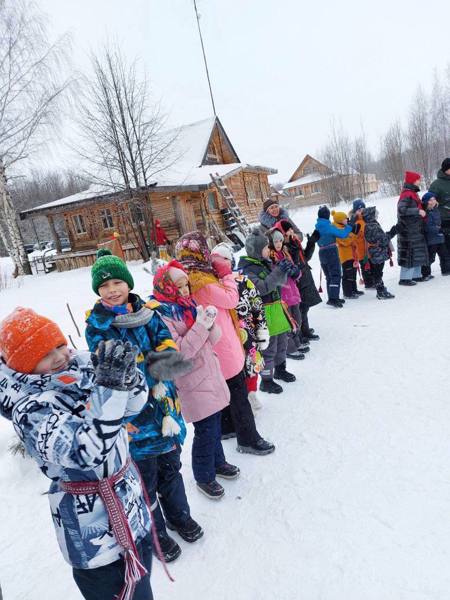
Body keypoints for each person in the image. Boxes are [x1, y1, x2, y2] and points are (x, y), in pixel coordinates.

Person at [0, 308, 154, 600]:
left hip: (130, 508)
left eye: (59, 346)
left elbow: (132, 408)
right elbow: (87, 451)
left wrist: (129, 379)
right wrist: (109, 389)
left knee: (143, 589)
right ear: (23, 365)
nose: (59, 356)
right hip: (92, 534)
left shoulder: (81, 366)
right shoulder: (30, 409)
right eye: (44, 354)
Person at [85, 249, 202, 564]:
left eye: (117, 282)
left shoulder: (149, 312)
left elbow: (168, 348)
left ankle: (179, 515)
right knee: (144, 482)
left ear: (128, 282)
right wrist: (149, 364)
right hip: (134, 418)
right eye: (105, 285)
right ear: (98, 290)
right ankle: (155, 532)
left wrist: (150, 361)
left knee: (172, 469)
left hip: (165, 408)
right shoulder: (98, 324)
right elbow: (110, 366)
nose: (112, 289)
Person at [175, 231, 275, 456]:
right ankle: (249, 439)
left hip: (215, 344)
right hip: (223, 345)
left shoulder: (188, 277)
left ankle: (228, 428)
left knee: (227, 391)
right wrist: (228, 275)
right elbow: (231, 298)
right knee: (239, 394)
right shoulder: (200, 281)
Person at [151, 260, 239, 500]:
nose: (184, 291)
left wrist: (209, 324)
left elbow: (212, 339)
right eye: (177, 287)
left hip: (209, 374)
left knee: (215, 425)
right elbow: (178, 352)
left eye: (185, 286)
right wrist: (201, 327)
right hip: (192, 381)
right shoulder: (162, 315)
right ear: (165, 287)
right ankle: (203, 476)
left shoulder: (188, 306)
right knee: (206, 430)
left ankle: (218, 463)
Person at [210, 243, 270, 414]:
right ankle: (236, 402)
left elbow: (257, 305)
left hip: (248, 332)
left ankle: (251, 393)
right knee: (233, 370)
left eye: (225, 261)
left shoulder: (243, 281)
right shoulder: (212, 285)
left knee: (251, 363)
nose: (220, 265)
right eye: (216, 262)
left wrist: (262, 329)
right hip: (227, 336)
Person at [238, 228, 295, 395]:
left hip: (276, 307)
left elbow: (279, 283)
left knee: (281, 343)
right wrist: (278, 272)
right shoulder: (248, 269)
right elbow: (261, 288)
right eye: (265, 248)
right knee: (269, 348)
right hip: (263, 312)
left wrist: (283, 270)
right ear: (256, 251)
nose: (269, 250)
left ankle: (280, 369)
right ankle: (267, 380)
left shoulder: (266, 263)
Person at [276, 219, 321, 341]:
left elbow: (305, 258)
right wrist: (294, 248)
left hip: (305, 276)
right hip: (297, 280)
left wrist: (311, 243)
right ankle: (299, 334)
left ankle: (304, 330)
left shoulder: (294, 242)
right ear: (282, 233)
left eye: (291, 229)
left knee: (305, 306)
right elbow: (294, 264)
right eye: (288, 230)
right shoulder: (284, 247)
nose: (291, 231)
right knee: (299, 308)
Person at [266, 228, 307, 360]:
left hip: (293, 292)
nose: (278, 243)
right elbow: (273, 276)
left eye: (280, 241)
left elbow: (296, 273)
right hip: (283, 295)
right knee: (288, 323)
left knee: (298, 320)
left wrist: (296, 272)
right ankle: (290, 348)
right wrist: (280, 269)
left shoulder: (286, 254)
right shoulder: (271, 257)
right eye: (276, 241)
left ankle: (296, 342)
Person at [315, 206, 352, 307]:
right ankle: (333, 299)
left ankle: (332, 296)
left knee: (329, 276)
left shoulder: (317, 226)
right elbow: (342, 234)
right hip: (331, 251)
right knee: (335, 275)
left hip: (321, 252)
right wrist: (349, 227)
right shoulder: (328, 226)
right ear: (327, 216)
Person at [397, 171, 429, 285]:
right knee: (409, 253)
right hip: (408, 230)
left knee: (416, 252)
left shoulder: (413, 193)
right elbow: (402, 210)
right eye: (418, 179)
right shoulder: (406, 194)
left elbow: (415, 207)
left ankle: (416, 275)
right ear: (412, 181)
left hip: (415, 228)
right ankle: (404, 278)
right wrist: (418, 211)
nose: (419, 181)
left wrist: (425, 206)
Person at [361, 207, 395, 300]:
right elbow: (383, 240)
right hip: (377, 253)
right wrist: (392, 232)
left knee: (377, 272)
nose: (377, 215)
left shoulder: (368, 225)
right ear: (371, 216)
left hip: (373, 252)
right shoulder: (373, 226)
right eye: (375, 214)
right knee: (378, 272)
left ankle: (380, 289)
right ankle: (380, 291)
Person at [333, 210, 363, 299]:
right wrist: (353, 235)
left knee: (353, 272)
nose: (347, 220)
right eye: (345, 219)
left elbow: (351, 238)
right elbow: (345, 241)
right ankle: (348, 293)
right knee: (348, 274)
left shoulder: (344, 227)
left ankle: (354, 289)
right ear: (339, 220)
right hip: (345, 256)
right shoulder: (337, 229)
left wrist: (353, 235)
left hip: (352, 254)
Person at [421, 191, 450, 278]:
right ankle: (426, 274)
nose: (433, 201)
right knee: (430, 258)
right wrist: (440, 229)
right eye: (430, 200)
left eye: (434, 199)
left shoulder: (436, 210)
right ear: (426, 202)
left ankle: (446, 270)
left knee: (445, 255)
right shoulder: (426, 213)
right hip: (432, 239)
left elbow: (439, 222)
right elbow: (428, 227)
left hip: (440, 238)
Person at [428, 158, 450, 273]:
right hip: (443, 219)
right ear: (446, 169)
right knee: (445, 246)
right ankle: (446, 268)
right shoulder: (436, 184)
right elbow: (429, 201)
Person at [348, 198, 375, 289]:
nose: (361, 211)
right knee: (365, 266)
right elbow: (353, 235)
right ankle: (368, 283)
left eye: (363, 209)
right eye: (359, 210)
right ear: (355, 211)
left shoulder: (366, 219)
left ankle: (373, 281)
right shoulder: (354, 222)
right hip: (360, 248)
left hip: (369, 247)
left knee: (372, 265)